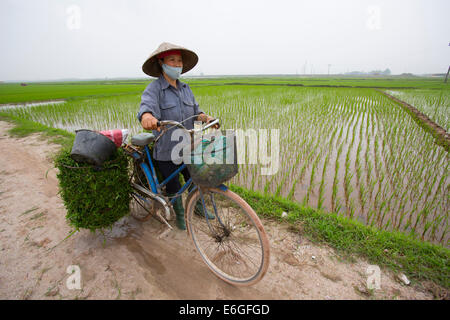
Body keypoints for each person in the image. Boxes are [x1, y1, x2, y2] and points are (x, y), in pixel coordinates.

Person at [138, 42, 217, 230]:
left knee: (195, 179)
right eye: (172, 60)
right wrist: (147, 117)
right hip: (167, 150)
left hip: (188, 146)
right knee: (173, 186)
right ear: (161, 63)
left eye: (179, 61)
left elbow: (196, 111)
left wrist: (206, 117)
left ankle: (198, 207)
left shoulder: (185, 89)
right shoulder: (154, 89)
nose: (177, 64)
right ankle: (180, 215)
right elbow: (145, 108)